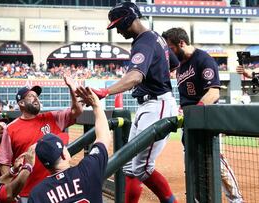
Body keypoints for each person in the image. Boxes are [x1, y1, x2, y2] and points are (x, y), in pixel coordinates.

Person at [90, 2, 178, 203]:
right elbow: (173, 63)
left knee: (142, 167)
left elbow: (135, 77)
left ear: (130, 18)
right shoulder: (155, 37)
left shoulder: (144, 42)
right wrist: (157, 73)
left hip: (158, 104)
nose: (118, 31)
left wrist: (106, 91)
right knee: (130, 167)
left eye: (118, 25)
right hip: (148, 104)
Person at [162, 27, 244, 203]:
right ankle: (199, 199)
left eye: (171, 47)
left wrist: (196, 112)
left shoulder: (203, 59)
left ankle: (236, 200)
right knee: (193, 163)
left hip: (207, 121)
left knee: (216, 162)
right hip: (191, 123)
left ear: (181, 43)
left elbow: (213, 93)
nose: (169, 51)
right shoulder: (181, 65)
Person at [0, 76, 83, 202]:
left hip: (57, 190)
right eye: (31, 96)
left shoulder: (51, 117)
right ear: (21, 103)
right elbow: (4, 163)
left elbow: (77, 110)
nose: (36, 98)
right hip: (28, 193)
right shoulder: (11, 129)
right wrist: (10, 189)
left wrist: (71, 87)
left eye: (37, 96)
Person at [28, 86, 110, 203]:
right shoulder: (88, 169)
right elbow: (104, 137)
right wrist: (95, 104)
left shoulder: (38, 194)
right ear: (64, 155)